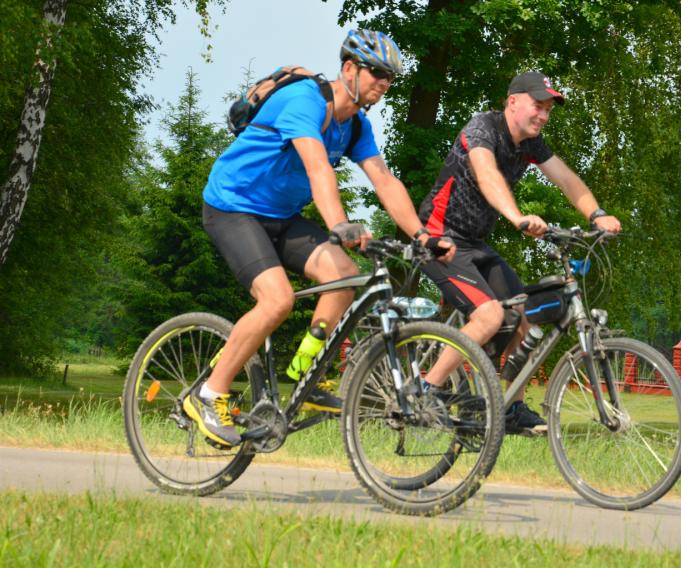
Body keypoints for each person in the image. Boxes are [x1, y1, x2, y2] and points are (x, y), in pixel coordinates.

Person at [186, 29, 455, 447]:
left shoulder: (356, 126)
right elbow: (317, 168)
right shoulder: (304, 101)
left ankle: (305, 375)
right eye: (377, 73)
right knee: (277, 300)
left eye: (390, 78)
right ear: (348, 68)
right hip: (233, 208)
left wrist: (422, 235)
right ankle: (209, 394)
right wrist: (340, 224)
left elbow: (384, 180)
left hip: (281, 217)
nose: (384, 83)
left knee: (345, 277)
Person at [418, 71, 621, 435]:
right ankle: (426, 390)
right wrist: (516, 216)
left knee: (525, 315)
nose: (543, 115)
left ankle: (511, 408)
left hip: (475, 243)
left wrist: (596, 214)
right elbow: (486, 174)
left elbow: (565, 179)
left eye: (548, 110)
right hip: (439, 237)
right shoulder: (483, 128)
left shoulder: (531, 144)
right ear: (512, 102)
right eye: (537, 106)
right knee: (489, 315)